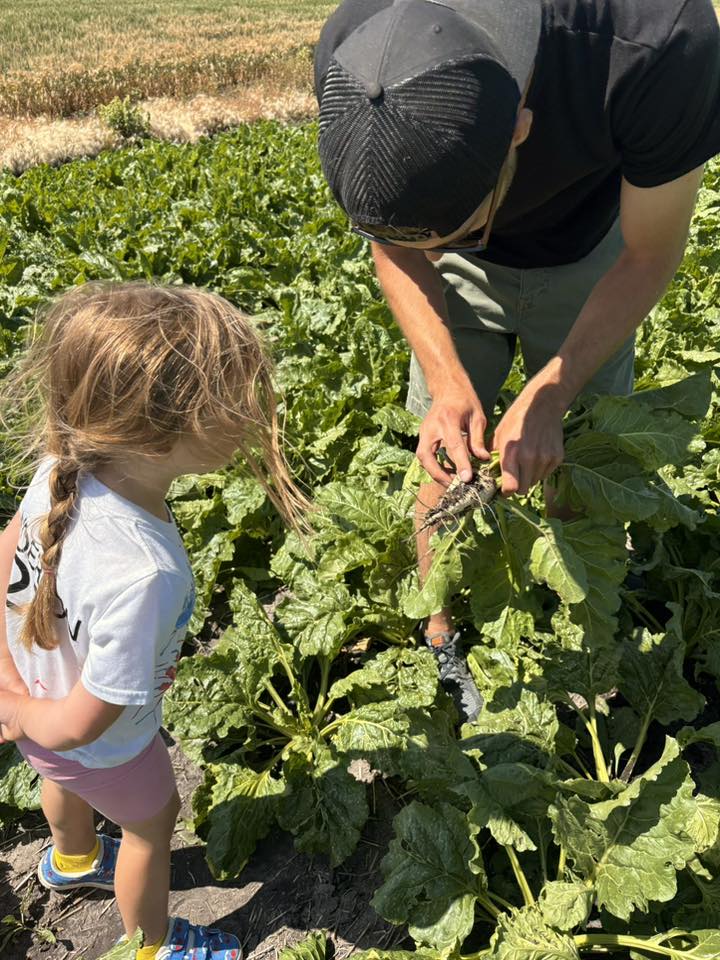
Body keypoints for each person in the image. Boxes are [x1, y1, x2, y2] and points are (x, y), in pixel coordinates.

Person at [313, 0, 720, 720]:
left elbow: (650, 252)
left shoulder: (657, 43)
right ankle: (440, 631)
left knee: (575, 463)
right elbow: (397, 246)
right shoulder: (358, 55)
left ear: (522, 132)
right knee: (443, 459)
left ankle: (584, 642)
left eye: (462, 231)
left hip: (599, 252)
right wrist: (445, 382)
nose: (447, 246)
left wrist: (553, 396)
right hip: (445, 263)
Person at [0, 282, 307, 960]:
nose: (252, 412)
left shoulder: (61, 464)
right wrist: (25, 716)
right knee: (151, 825)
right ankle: (154, 943)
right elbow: (92, 717)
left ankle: (73, 860)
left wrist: (16, 693)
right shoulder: (145, 573)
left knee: (58, 777)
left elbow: (6, 547)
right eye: (234, 399)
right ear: (162, 433)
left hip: (40, 705)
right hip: (97, 740)